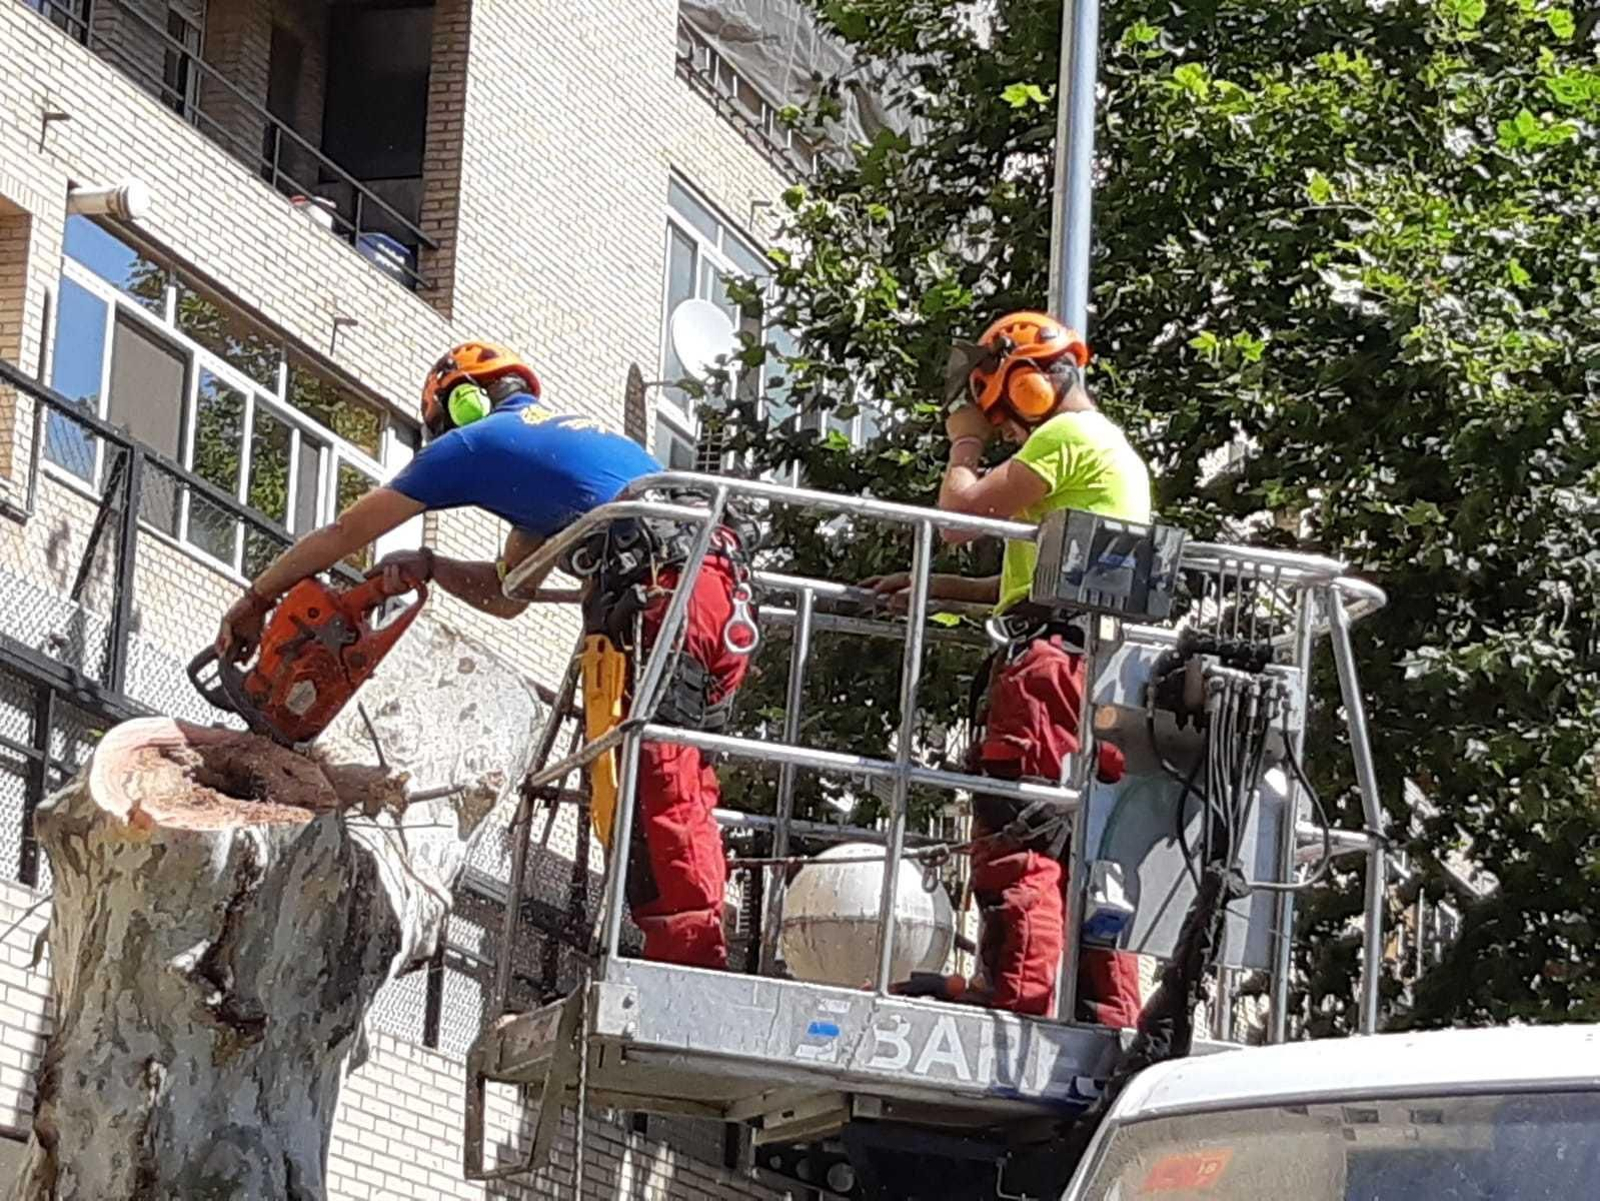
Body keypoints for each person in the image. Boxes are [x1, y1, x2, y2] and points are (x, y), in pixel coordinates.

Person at [214, 340, 755, 970]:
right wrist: (432, 565)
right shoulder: (561, 459)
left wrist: (255, 600)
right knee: (660, 782)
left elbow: (345, 532)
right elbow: (507, 595)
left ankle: (691, 966)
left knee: (657, 782)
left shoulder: (473, 442)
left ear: (463, 403)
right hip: (716, 591)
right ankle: (684, 951)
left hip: (668, 591)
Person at [866, 310, 1151, 1023]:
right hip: (1097, 669)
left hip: (1048, 668)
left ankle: (1015, 993)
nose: (1008, 434)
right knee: (1091, 848)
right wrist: (936, 588)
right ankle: (1104, 1009)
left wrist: (964, 439)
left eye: (1004, 415)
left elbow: (959, 517)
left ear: (1028, 386)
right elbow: (1026, 584)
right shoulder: (1110, 446)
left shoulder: (1066, 436)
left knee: (1017, 826)